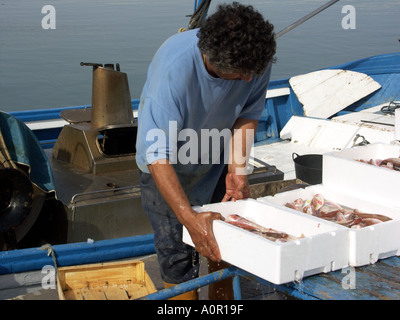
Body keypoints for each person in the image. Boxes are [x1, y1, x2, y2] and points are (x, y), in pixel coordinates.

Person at [136, 2, 276, 299]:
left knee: (224, 243)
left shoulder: (254, 62)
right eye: (241, 74)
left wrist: (237, 171)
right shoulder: (174, 69)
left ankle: (221, 301)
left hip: (214, 157)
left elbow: (247, 114)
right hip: (166, 164)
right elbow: (156, 154)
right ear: (216, 61)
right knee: (176, 255)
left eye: (254, 72)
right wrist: (188, 217)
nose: (249, 80)